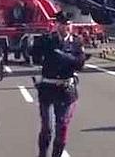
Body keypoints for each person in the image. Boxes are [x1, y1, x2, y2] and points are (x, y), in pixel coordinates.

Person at [32, 11, 86, 157]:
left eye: (68, 24)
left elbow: (80, 63)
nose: (65, 27)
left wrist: (66, 57)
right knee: (47, 127)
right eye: (62, 24)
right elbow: (35, 56)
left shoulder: (76, 42)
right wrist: (36, 46)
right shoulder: (48, 40)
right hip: (48, 88)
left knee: (62, 126)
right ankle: (42, 154)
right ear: (56, 25)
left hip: (66, 90)